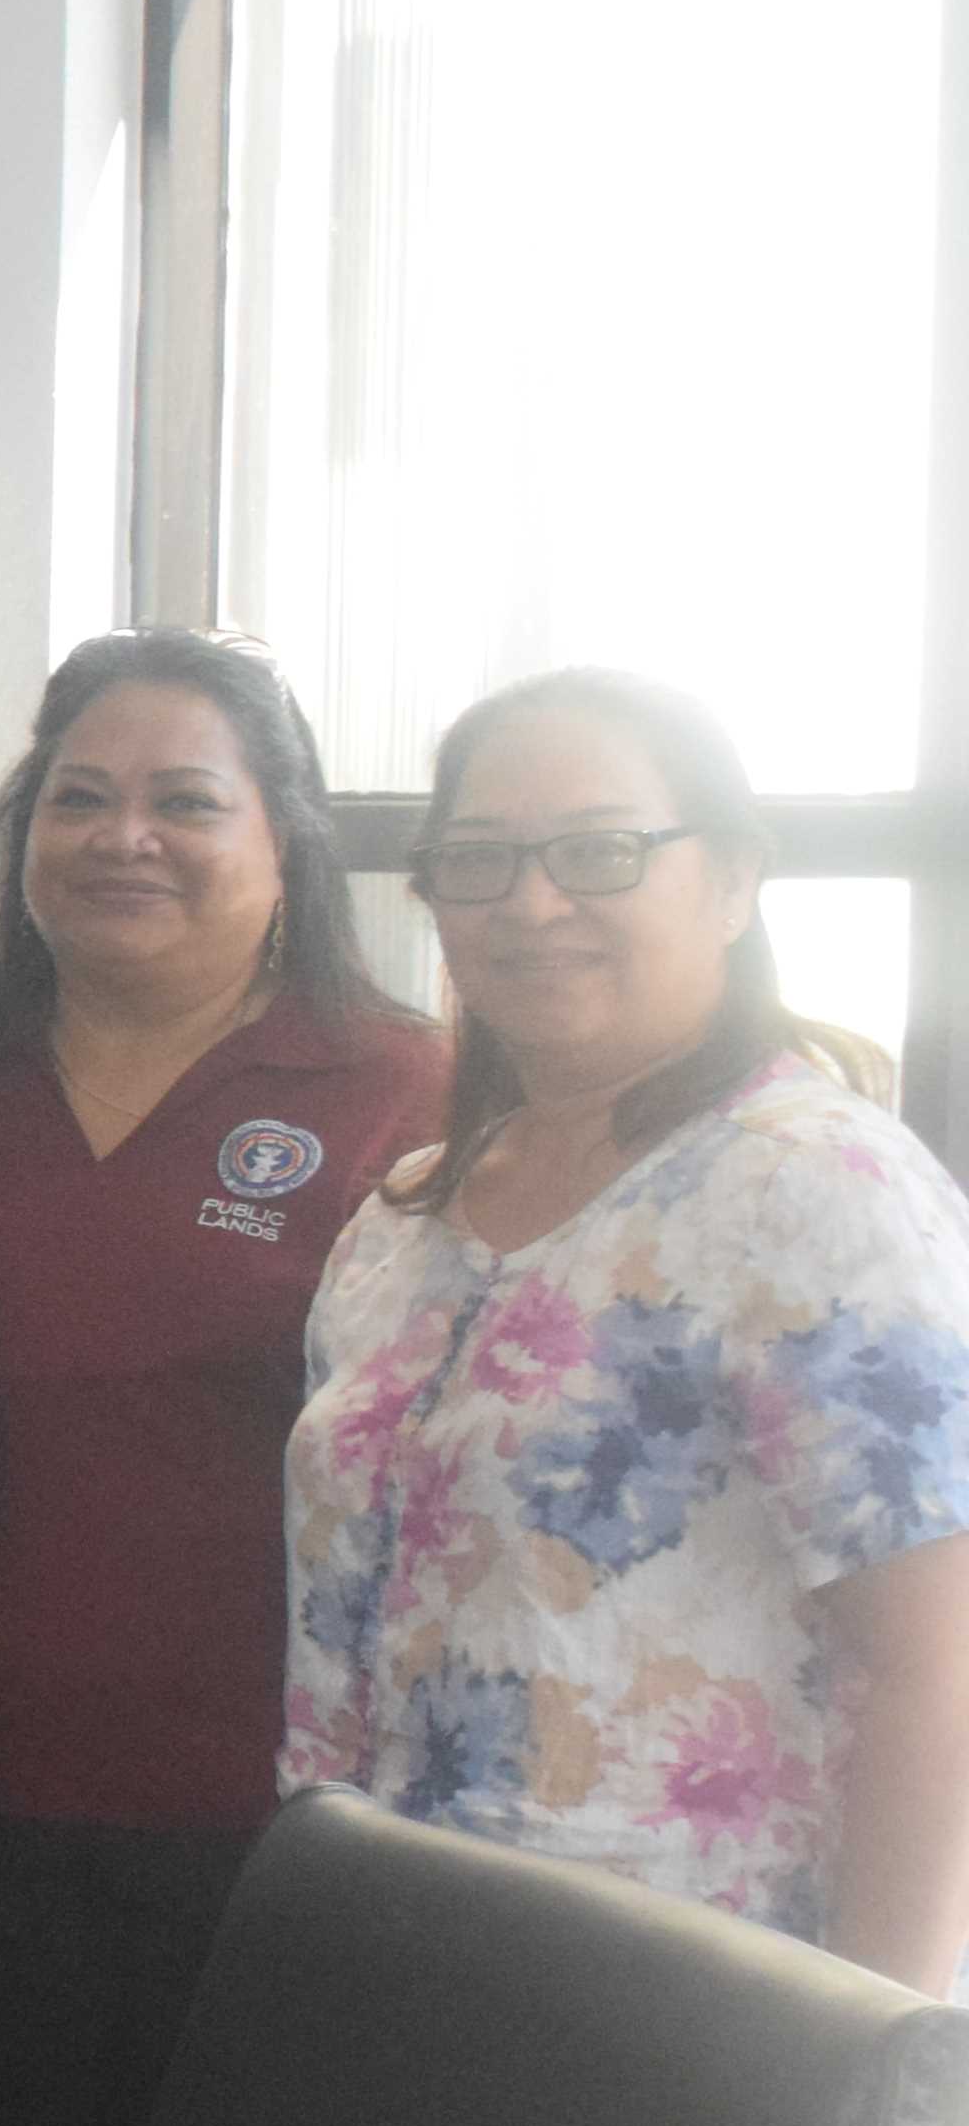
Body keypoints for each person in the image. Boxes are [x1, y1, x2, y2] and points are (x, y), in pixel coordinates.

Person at [0, 631, 441, 2126]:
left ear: (285, 838)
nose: (126, 838)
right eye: (79, 798)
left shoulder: (413, 1098)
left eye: (185, 800)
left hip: (294, 1853)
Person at [287, 672, 969, 1989]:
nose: (532, 904)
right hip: (386, 1967)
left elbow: (938, 1674)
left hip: (703, 2015)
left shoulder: (817, 1190)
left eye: (600, 851)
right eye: (479, 861)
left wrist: (887, 2063)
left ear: (731, 882)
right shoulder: (403, 1219)